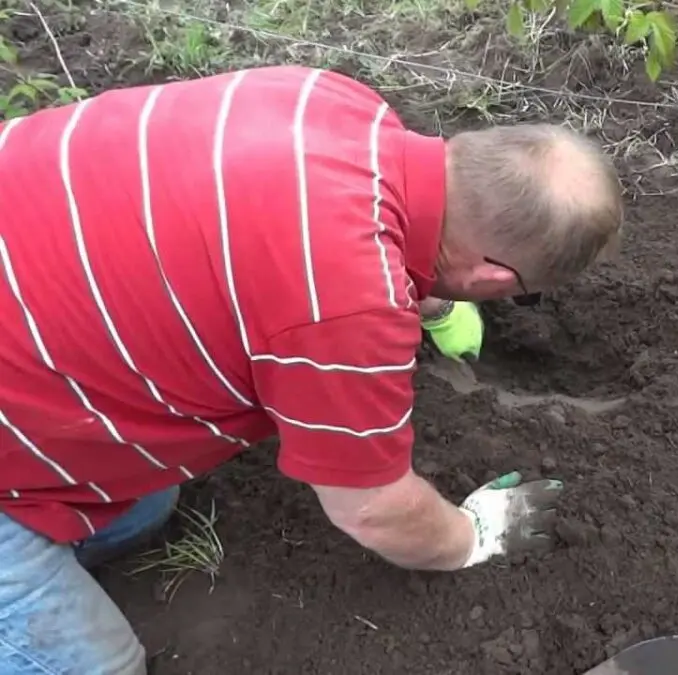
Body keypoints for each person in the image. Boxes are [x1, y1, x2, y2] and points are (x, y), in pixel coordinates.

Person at [0, 65, 623, 674]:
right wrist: (469, 535)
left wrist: (430, 296)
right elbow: (373, 509)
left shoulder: (335, 100)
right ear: (491, 278)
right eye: (522, 293)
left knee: (142, 508)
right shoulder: (347, 308)